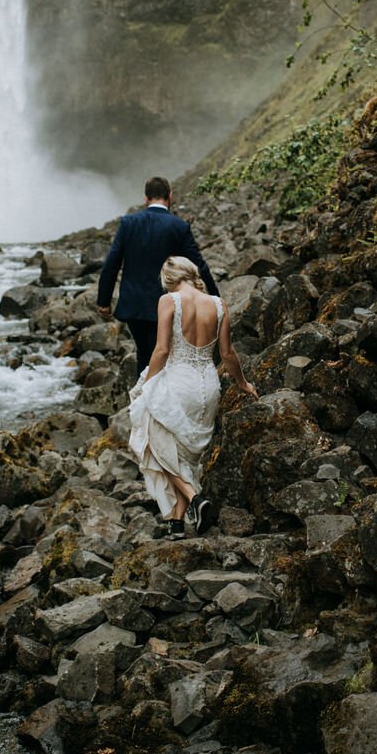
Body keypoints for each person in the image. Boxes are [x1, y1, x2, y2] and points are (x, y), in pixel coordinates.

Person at [127, 256, 257, 537]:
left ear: (169, 278)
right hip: (208, 386)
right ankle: (177, 523)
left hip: (178, 381)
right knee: (185, 455)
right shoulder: (219, 305)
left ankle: (194, 498)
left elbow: (161, 350)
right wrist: (243, 383)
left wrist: (145, 387)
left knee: (154, 442)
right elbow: (227, 354)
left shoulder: (169, 301)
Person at [97, 177, 220, 374]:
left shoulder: (129, 223)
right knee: (164, 352)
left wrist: (103, 300)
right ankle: (158, 398)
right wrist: (215, 297)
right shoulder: (178, 226)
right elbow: (199, 266)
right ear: (170, 196)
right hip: (168, 302)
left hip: (133, 302)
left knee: (144, 352)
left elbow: (111, 264)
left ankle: (143, 397)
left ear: (146, 198)